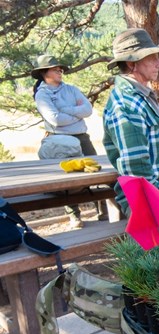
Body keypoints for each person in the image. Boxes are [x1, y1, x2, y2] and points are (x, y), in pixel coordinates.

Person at [103, 28, 159, 215]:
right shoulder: (126, 104)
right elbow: (136, 169)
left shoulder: (142, 96)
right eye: (152, 58)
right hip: (153, 203)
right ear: (132, 64)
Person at [32, 54, 99, 228]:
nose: (60, 71)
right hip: (59, 141)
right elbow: (55, 120)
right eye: (56, 69)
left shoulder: (71, 89)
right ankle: (74, 215)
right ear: (44, 72)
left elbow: (87, 109)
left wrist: (66, 109)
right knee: (66, 180)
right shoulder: (42, 95)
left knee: (97, 171)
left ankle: (103, 210)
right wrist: (75, 115)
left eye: (60, 69)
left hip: (82, 138)